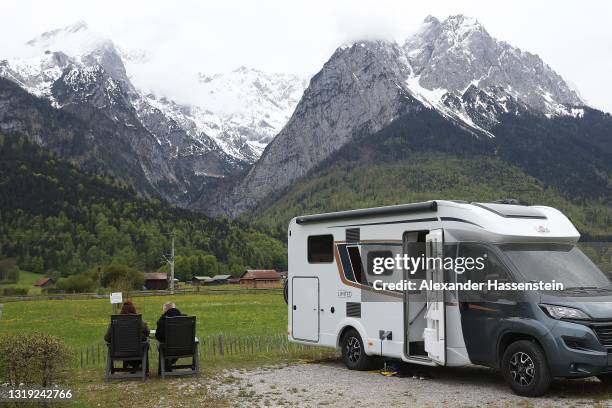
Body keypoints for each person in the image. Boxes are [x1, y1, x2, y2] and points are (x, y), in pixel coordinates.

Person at [104, 300, 150, 371]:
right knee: (146, 344)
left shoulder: (115, 322)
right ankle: (144, 369)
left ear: (122, 310)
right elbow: (147, 332)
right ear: (133, 309)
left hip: (119, 352)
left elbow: (107, 338)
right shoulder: (139, 321)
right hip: (136, 351)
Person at [155, 302, 183, 371]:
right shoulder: (184, 319)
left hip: (168, 349)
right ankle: (168, 365)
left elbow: (158, 336)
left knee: (160, 345)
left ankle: (164, 367)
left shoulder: (162, 320)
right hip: (183, 348)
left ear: (165, 310)